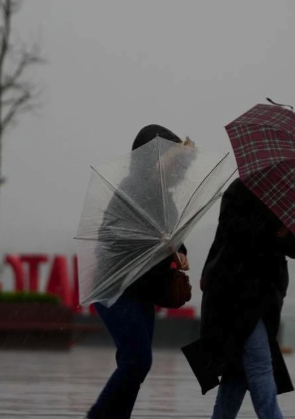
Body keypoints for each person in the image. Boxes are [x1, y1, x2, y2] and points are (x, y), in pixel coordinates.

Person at [86, 124, 192, 419]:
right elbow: (113, 235)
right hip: (116, 288)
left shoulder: (164, 196)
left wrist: (180, 253)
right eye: (167, 156)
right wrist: (159, 241)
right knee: (137, 361)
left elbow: (173, 237)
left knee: (134, 364)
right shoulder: (130, 190)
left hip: (143, 291)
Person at [191, 178, 295, 419]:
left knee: (237, 373)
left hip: (267, 295)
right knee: (259, 365)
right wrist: (276, 227)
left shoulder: (294, 198)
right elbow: (237, 235)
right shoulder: (241, 189)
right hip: (234, 292)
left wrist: (292, 229)